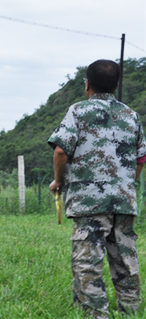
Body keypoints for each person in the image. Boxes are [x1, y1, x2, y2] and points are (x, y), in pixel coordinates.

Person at [47, 59, 146, 319]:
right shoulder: (131, 115)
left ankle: (96, 314)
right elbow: (141, 159)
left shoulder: (78, 111)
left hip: (89, 201)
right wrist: (127, 183)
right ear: (116, 84)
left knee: (87, 261)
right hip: (123, 200)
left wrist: (59, 181)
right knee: (126, 259)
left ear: (87, 84)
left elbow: (60, 150)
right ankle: (132, 311)